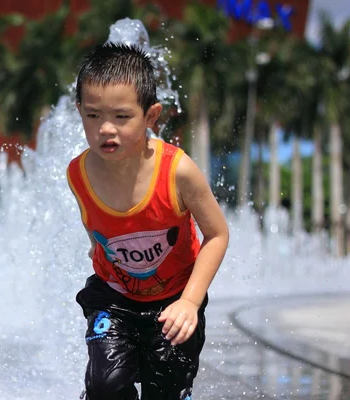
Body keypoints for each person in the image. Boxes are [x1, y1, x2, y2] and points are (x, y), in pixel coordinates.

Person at [67, 43, 229, 400]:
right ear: (79, 111)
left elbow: (217, 235)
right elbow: (98, 233)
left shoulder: (178, 172)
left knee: (167, 392)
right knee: (105, 386)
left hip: (174, 302)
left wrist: (190, 302)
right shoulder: (79, 174)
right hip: (113, 298)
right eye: (92, 116)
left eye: (122, 117)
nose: (105, 129)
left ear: (151, 116)